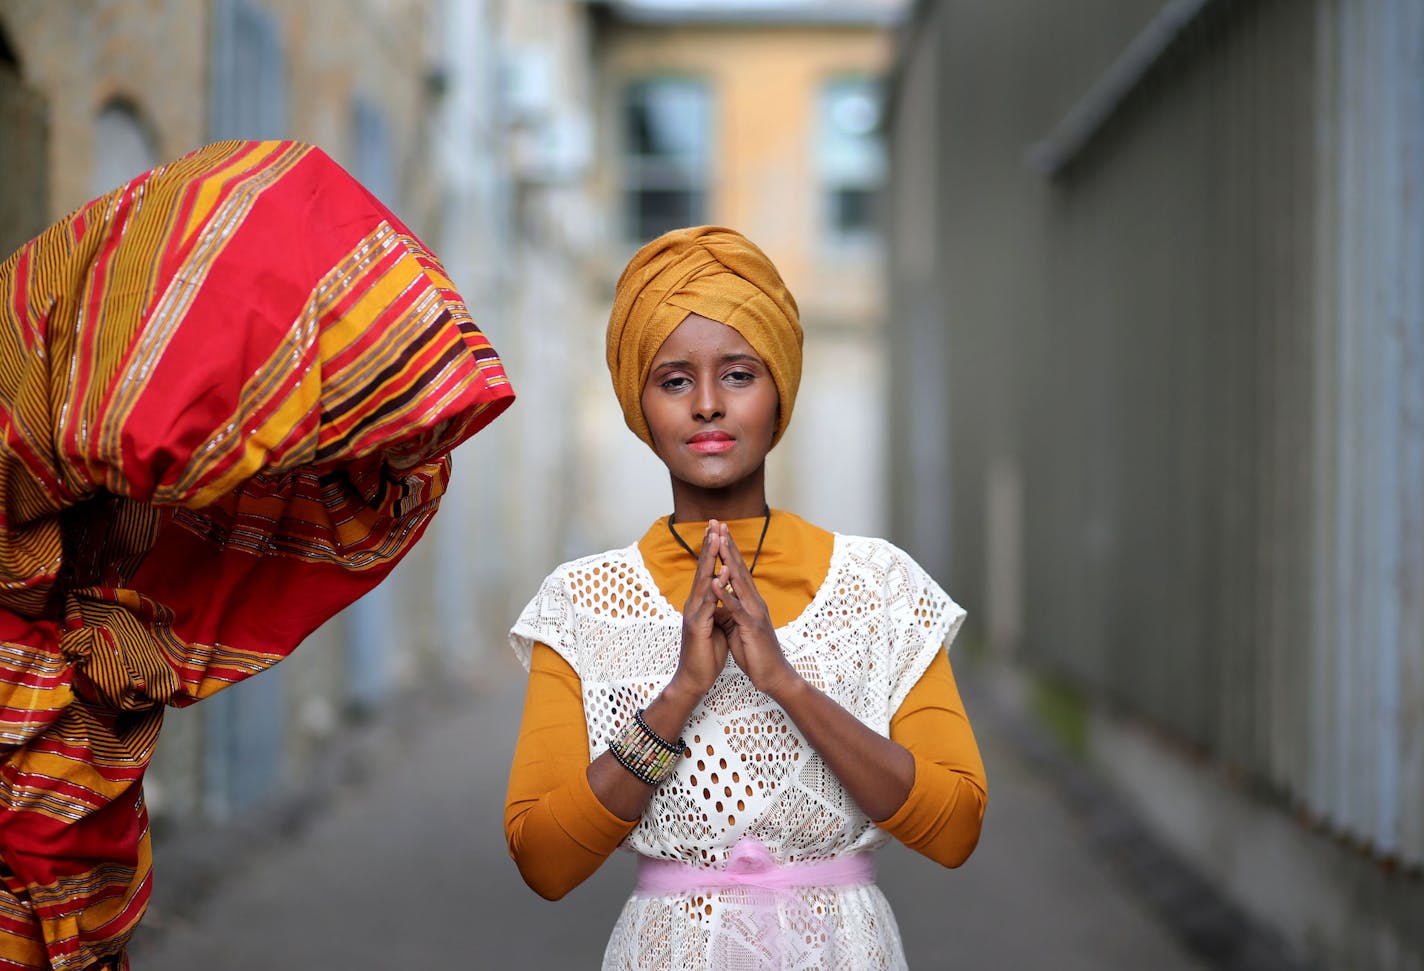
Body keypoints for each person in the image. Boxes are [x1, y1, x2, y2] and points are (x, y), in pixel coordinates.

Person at [504, 225, 985, 971]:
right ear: (641, 401)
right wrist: (679, 694)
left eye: (737, 374)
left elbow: (955, 827)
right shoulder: (580, 603)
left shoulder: (880, 585)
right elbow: (544, 860)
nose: (705, 405)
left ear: (778, 388)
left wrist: (784, 682)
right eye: (673, 380)